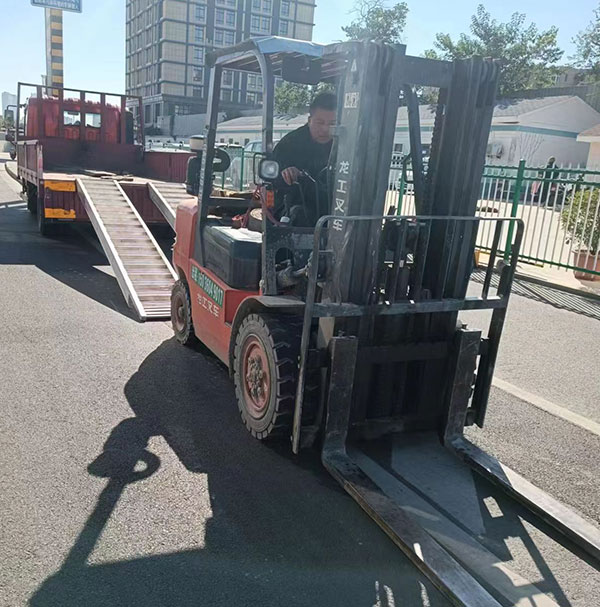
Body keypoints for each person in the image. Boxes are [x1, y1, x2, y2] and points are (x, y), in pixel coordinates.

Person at [272, 91, 337, 226]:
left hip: (333, 208)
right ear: (309, 120)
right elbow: (272, 181)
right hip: (294, 208)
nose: (325, 129)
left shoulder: (343, 146)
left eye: (332, 124)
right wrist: (288, 174)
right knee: (298, 214)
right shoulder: (289, 144)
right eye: (320, 122)